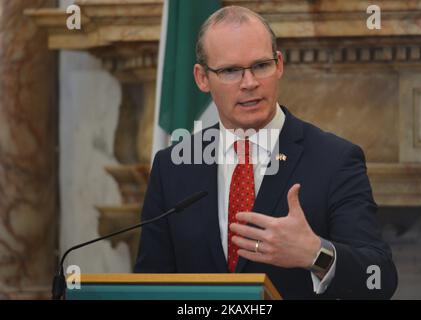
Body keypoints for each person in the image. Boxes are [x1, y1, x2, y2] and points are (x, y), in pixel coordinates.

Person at [134, 6, 398, 299]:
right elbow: (151, 283)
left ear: (279, 64)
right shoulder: (172, 166)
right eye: (231, 71)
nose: (250, 83)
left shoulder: (335, 159)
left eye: (261, 65)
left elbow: (381, 278)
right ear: (202, 78)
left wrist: (316, 254)